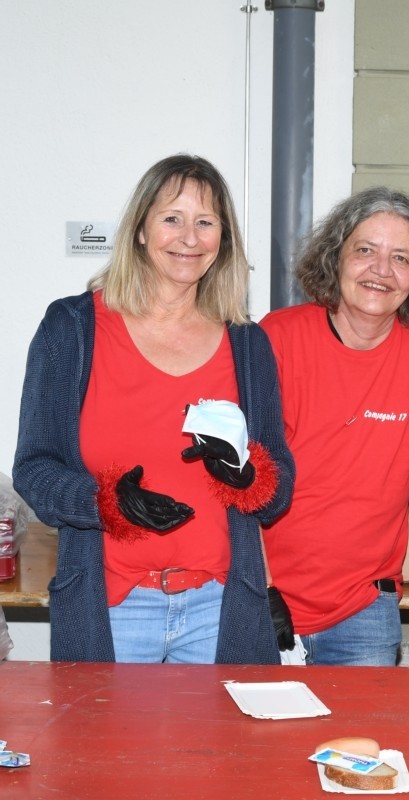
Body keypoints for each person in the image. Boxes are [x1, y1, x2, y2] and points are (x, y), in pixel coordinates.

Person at [13, 154, 295, 664]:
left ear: (223, 239)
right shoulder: (73, 329)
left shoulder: (247, 343)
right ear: (141, 231)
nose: (189, 237)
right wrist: (104, 504)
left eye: (206, 222)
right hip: (112, 606)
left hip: (219, 606)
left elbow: (278, 488)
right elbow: (34, 469)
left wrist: (249, 477)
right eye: (172, 218)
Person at [260, 187, 409, 666]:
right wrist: (259, 588)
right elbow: (242, 477)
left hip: (364, 608)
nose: (381, 270)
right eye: (365, 250)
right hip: (267, 598)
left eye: (400, 258)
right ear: (335, 258)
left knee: (362, 721)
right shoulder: (276, 337)